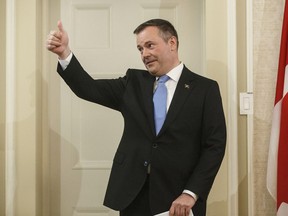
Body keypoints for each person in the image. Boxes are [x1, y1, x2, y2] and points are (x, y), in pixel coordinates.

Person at [46, 18, 226, 216]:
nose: (144, 54)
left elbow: (214, 146)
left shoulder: (205, 89)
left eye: (150, 46)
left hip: (178, 198)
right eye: (140, 49)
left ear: (172, 43)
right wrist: (64, 53)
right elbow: (88, 88)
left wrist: (191, 193)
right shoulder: (133, 83)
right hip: (133, 195)